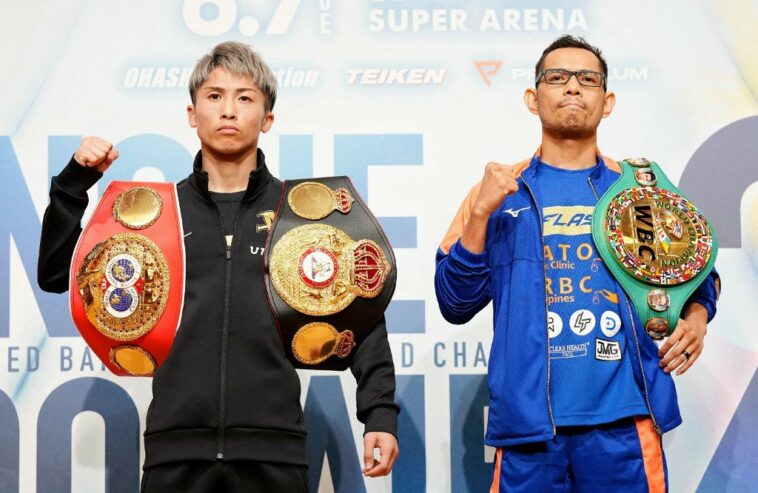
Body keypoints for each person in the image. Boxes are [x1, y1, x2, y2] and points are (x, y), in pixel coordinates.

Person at [38, 41, 399, 493]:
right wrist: (73, 185)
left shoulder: (303, 216)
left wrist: (379, 413)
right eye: (214, 96)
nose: (228, 110)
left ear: (267, 119)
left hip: (275, 454)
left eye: (244, 97)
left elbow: (361, 314)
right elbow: (56, 276)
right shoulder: (154, 215)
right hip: (175, 456)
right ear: (192, 113)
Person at [434, 35, 719, 492]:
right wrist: (482, 214)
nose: (572, 88)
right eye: (557, 77)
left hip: (626, 422)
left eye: (587, 79)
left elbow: (699, 274)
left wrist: (699, 317)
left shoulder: (639, 192)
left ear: (606, 102)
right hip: (529, 433)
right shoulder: (499, 192)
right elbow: (454, 300)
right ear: (533, 98)